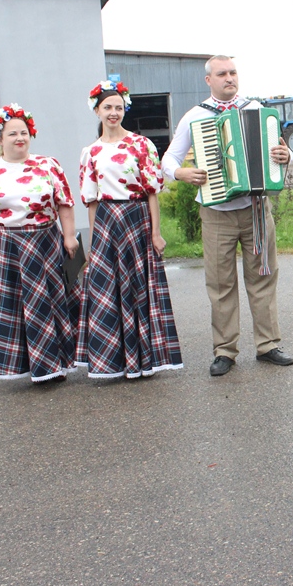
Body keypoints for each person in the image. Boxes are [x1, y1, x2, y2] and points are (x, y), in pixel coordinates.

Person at [161, 56, 293, 377]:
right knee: (221, 283)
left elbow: (278, 152)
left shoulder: (257, 110)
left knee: (263, 276)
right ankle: (225, 350)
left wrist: (285, 154)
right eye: (222, 74)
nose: (229, 78)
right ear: (209, 80)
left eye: (233, 72)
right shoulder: (195, 116)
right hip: (217, 212)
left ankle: (267, 344)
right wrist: (182, 172)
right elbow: (168, 158)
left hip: (256, 208)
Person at [76, 81, 183, 379]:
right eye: (107, 107)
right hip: (108, 220)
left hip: (137, 217)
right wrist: (95, 239)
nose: (113, 113)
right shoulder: (91, 152)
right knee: (109, 290)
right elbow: (92, 200)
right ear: (97, 111)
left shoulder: (141, 144)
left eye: (118, 108)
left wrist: (156, 232)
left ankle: (145, 358)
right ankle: (117, 360)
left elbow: (151, 192)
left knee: (139, 286)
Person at [0, 103, 80, 382]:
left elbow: (64, 202)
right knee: (19, 306)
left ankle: (56, 365)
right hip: (8, 245)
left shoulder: (48, 165)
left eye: (24, 132)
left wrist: (68, 236)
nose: (20, 138)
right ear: (0, 139)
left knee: (51, 303)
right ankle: (26, 365)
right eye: (12, 134)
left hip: (45, 242)